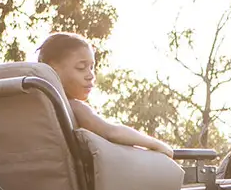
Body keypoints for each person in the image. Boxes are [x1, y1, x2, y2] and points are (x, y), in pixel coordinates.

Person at [36, 32, 172, 156]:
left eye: (92, 67)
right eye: (81, 68)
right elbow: (112, 132)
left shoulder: (29, 109)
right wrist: (156, 144)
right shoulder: (74, 107)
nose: (90, 76)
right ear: (53, 69)